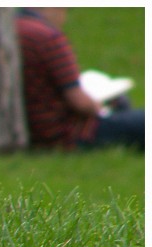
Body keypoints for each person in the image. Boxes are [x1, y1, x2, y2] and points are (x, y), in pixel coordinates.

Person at [16, 8, 144, 152]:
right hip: (66, 133)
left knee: (120, 102)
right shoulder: (47, 37)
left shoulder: (13, 29)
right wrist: (98, 107)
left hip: (34, 127)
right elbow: (80, 103)